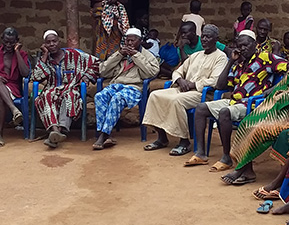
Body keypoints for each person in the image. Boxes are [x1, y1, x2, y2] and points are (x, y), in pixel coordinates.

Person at [186, 30, 289, 179]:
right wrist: (231, 61)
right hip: (235, 101)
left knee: (224, 112)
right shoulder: (238, 63)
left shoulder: (265, 57)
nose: (242, 49)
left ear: (254, 44)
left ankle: (226, 157)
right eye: (240, 46)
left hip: (252, 103)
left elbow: (287, 69)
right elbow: (221, 86)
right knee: (201, 108)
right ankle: (201, 153)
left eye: (246, 45)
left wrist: (274, 89)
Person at [143, 24, 228, 156]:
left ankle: (184, 141)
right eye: (203, 36)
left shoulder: (220, 57)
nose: (204, 39)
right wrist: (180, 80)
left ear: (216, 39)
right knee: (154, 95)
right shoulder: (196, 55)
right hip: (183, 88)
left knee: (177, 101)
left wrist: (193, 84)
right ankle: (162, 137)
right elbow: (178, 71)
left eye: (208, 37)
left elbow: (215, 81)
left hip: (202, 93)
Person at [93, 28, 159, 149]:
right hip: (116, 85)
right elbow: (102, 71)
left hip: (134, 88)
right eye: (127, 41)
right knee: (100, 96)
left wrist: (136, 56)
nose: (129, 44)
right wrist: (118, 55)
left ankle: (103, 135)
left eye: (132, 41)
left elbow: (151, 72)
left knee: (117, 98)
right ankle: (107, 134)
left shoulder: (147, 55)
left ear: (139, 41)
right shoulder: (121, 54)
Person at [33, 30, 99, 148]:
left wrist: (87, 75)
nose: (52, 44)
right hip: (52, 89)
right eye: (48, 43)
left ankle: (60, 130)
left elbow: (97, 62)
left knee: (70, 96)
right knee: (46, 96)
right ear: (45, 45)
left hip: (71, 88)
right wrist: (44, 57)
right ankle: (55, 130)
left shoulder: (75, 55)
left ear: (59, 42)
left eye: (54, 41)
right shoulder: (45, 59)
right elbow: (36, 77)